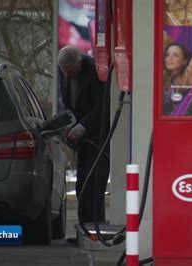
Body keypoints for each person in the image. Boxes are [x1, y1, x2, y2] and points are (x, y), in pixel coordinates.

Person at [58, 45, 110, 223]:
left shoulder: (94, 72)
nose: (66, 75)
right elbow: (67, 102)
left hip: (97, 137)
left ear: (79, 62)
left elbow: (102, 104)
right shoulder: (65, 72)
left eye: (70, 70)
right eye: (63, 70)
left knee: (93, 186)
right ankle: (85, 227)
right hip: (81, 140)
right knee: (82, 185)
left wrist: (83, 126)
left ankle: (94, 228)